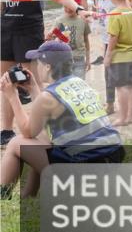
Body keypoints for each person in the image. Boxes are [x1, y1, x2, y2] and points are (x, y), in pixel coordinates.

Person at [0, 40, 123, 199]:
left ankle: (2, 197)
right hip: (111, 160)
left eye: (38, 61)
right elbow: (45, 119)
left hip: (86, 169)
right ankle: (28, 197)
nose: (35, 66)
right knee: (43, 141)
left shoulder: (48, 97)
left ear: (47, 66)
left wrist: (12, 96)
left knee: (16, 143)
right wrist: (33, 89)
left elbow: (27, 131)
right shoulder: (79, 83)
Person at [1, 0, 83, 148]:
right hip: (6, 31)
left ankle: (45, 128)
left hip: (29, 31)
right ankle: (6, 131)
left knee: (30, 82)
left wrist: (76, 7)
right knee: (7, 81)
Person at [102, 0, 132, 126]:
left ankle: (123, 117)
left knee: (121, 88)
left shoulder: (115, 14)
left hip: (120, 56)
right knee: (131, 87)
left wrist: (107, 55)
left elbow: (113, 38)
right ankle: (131, 116)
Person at [49, 2, 90, 79]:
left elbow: (86, 40)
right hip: (63, 59)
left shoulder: (83, 20)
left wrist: (88, 59)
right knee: (64, 83)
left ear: (77, 7)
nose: (68, 9)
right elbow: (51, 37)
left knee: (79, 83)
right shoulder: (59, 21)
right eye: (65, 7)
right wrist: (50, 36)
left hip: (79, 58)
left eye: (70, 7)